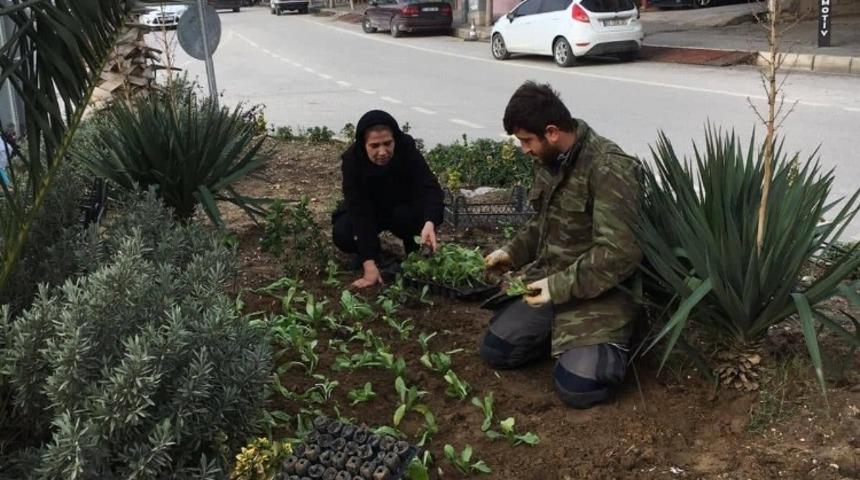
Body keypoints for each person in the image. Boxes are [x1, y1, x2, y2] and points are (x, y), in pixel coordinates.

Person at [480, 81, 643, 409]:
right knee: (496, 351)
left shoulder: (609, 167)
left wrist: (556, 287)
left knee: (578, 389)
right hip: (550, 287)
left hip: (601, 296)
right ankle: (561, 339)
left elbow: (619, 253)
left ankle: (614, 342)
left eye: (526, 140)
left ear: (551, 132)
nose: (524, 149)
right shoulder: (548, 161)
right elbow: (543, 223)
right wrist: (511, 253)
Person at [333, 110, 444, 289]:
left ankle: (414, 252)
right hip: (370, 211)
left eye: (387, 143)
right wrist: (369, 265)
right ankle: (370, 254)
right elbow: (359, 210)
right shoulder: (353, 161)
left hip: (401, 207)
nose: (382, 152)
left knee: (414, 216)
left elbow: (429, 187)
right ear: (363, 144)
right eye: (374, 146)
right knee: (343, 232)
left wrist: (430, 222)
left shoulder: (406, 148)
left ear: (395, 139)